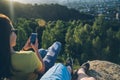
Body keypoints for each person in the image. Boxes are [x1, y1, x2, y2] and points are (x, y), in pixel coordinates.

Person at [0, 13, 61, 80]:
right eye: (14, 31)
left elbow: (19, 58)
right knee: (57, 45)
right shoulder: (30, 56)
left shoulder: (3, 59)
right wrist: (36, 50)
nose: (15, 33)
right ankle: (68, 67)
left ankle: (47, 51)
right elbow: (42, 70)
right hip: (39, 74)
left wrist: (24, 48)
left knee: (42, 51)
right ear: (6, 36)